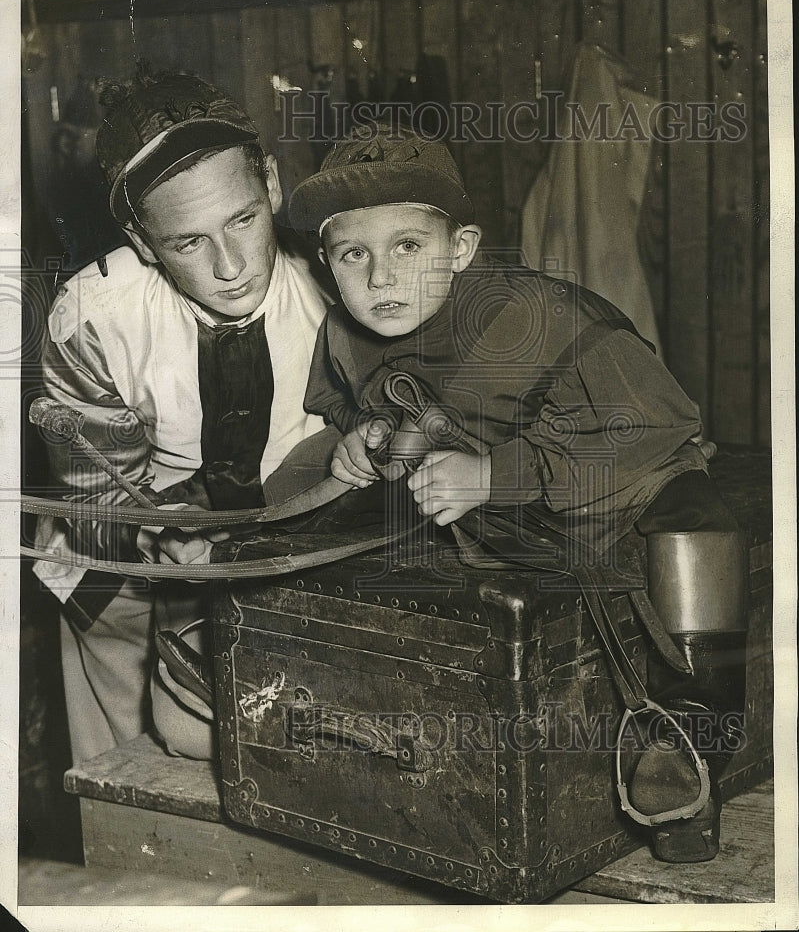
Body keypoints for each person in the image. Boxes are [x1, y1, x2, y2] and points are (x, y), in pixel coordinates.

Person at [287, 122, 749, 864]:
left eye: (408, 246)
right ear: (325, 264)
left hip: (621, 494)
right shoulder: (344, 335)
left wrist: (495, 475)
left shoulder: (538, 316)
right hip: (503, 535)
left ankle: (689, 751)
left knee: (694, 532)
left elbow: (662, 421)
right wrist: (363, 439)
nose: (380, 278)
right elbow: (362, 405)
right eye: (353, 254)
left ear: (461, 250)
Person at [33, 64, 329, 763]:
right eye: (188, 242)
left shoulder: (337, 281)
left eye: (244, 220)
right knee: (135, 796)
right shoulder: (92, 318)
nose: (231, 266)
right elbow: (97, 498)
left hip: (293, 567)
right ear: (140, 241)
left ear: (273, 188)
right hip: (127, 591)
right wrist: (156, 539)